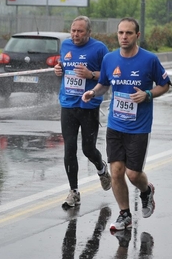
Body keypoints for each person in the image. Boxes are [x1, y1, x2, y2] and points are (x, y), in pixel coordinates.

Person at [82, 17, 172, 230]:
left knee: (133, 174)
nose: (124, 37)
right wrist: (93, 92)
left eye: (129, 33)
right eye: (121, 33)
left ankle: (146, 191)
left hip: (139, 127)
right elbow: (104, 83)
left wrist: (148, 94)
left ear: (137, 35)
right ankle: (124, 214)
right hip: (115, 125)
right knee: (116, 171)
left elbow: (165, 85)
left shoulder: (149, 59)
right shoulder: (110, 59)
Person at [54, 15, 111, 208]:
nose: (76, 34)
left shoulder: (99, 49)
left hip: (89, 105)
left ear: (88, 32)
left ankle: (101, 168)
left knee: (88, 149)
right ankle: (74, 191)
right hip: (68, 105)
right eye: (73, 30)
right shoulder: (66, 46)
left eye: (80, 31)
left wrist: (91, 75)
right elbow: (64, 66)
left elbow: (109, 75)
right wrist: (59, 69)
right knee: (69, 148)